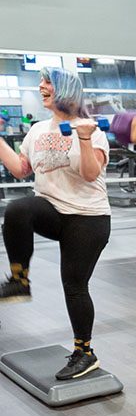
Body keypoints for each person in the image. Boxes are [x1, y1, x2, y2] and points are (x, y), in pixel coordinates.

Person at [0, 67, 111, 380]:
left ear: (64, 89)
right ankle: (20, 280)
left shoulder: (91, 128)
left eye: (47, 82)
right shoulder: (37, 130)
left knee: (74, 286)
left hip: (88, 217)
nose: (41, 87)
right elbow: (21, 169)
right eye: (41, 82)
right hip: (53, 210)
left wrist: (86, 139)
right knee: (18, 209)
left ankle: (84, 352)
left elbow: (91, 174)